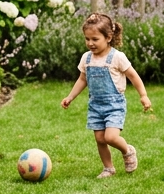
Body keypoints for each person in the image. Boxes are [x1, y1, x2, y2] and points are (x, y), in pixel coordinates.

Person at [60, 12, 152, 178]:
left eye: (95, 39)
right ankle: (108, 168)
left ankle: (127, 150)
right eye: (87, 39)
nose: (90, 43)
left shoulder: (117, 57)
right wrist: (70, 97)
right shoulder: (86, 59)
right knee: (100, 139)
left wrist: (143, 95)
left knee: (110, 137)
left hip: (114, 104)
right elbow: (82, 79)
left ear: (108, 37)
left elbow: (133, 76)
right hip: (95, 105)